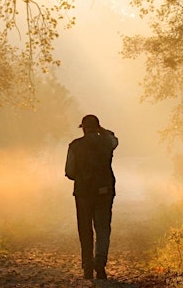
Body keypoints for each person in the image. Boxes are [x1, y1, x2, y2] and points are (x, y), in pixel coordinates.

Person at [65, 114, 118, 280]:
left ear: (83, 128)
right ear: (98, 127)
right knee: (102, 228)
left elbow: (69, 171)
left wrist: (81, 178)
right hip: (104, 192)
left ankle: (87, 266)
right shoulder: (107, 143)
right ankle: (100, 262)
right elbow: (113, 137)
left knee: (85, 230)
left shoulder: (75, 146)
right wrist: (101, 130)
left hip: (83, 193)